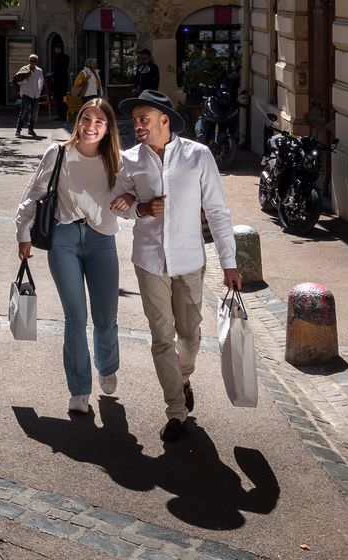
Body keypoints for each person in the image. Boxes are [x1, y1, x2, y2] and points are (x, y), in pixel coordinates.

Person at [109, 89, 240, 443]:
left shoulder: (198, 156)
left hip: (189, 260)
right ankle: (176, 411)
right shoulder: (130, 160)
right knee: (161, 337)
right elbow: (116, 202)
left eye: (143, 119)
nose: (137, 125)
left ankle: (183, 376)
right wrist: (139, 207)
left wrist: (229, 262)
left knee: (191, 333)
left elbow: (217, 211)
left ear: (164, 120)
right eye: (135, 120)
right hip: (149, 260)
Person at [16, 98, 126, 415]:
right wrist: (23, 234)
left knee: (106, 318)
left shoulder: (116, 160)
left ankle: (107, 365)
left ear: (108, 129)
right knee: (75, 318)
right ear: (78, 121)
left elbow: (132, 200)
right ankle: (79, 389)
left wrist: (133, 201)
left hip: (102, 240)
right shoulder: (58, 153)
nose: (91, 126)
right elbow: (34, 195)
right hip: (64, 239)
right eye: (86, 119)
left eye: (99, 122)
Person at [13, 53, 46, 139]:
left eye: (34, 61)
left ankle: (31, 129)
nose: (32, 62)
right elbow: (17, 81)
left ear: (36, 61)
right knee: (23, 112)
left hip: (35, 94)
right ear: (29, 61)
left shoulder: (39, 70)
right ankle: (18, 129)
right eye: (31, 60)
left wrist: (39, 90)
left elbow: (41, 80)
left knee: (34, 113)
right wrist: (25, 80)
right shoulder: (24, 70)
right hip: (26, 93)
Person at [49, 40, 71, 122]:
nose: (55, 50)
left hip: (58, 80)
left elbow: (57, 70)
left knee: (59, 98)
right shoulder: (66, 57)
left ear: (59, 49)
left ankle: (61, 116)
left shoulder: (57, 57)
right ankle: (65, 115)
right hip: (64, 80)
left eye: (56, 48)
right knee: (63, 98)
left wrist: (53, 77)